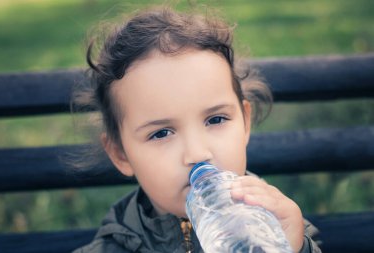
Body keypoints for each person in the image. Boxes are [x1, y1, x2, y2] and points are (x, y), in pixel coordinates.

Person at [72, 5, 321, 253]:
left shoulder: (279, 226)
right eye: (161, 133)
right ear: (121, 154)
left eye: (216, 120)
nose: (197, 153)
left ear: (245, 122)